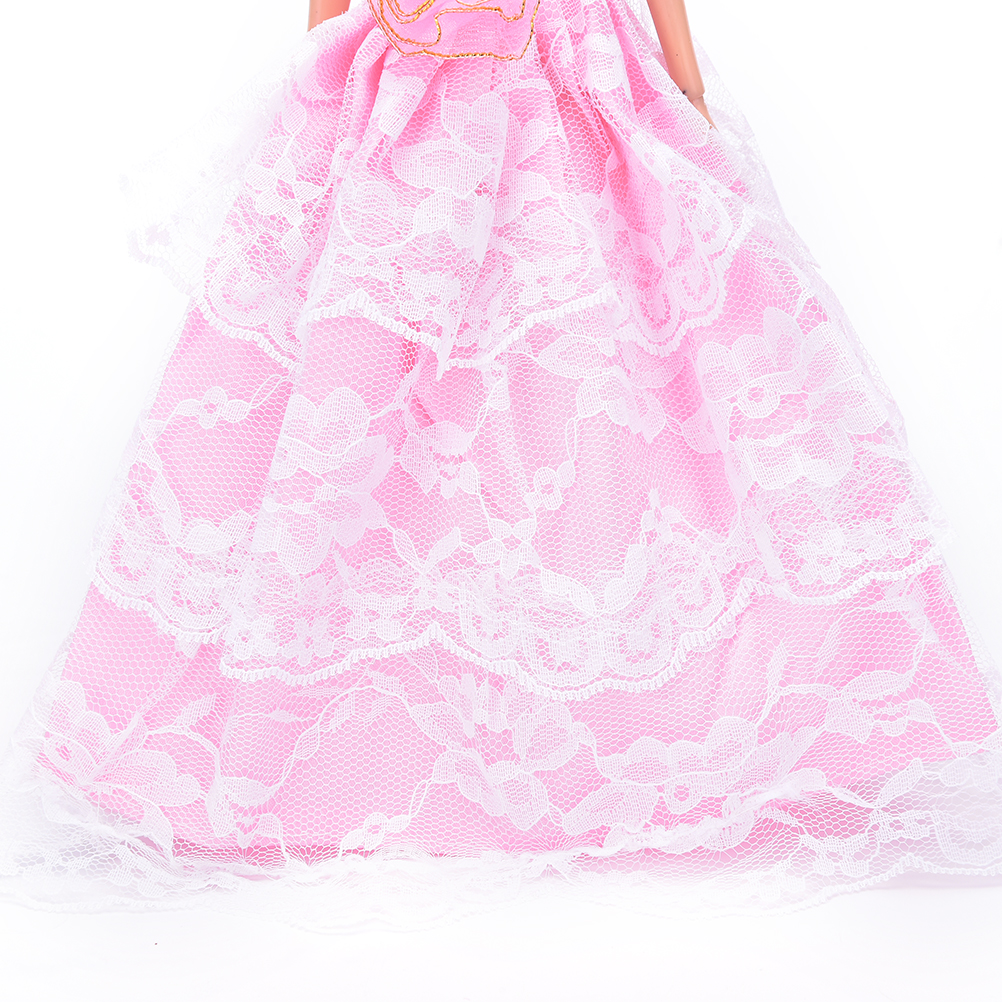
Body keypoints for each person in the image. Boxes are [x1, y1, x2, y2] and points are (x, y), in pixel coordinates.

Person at [1, 0, 999, 919]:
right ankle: (345, 736)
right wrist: (320, 71)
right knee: (372, 377)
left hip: (572, 74)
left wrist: (685, 87)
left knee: (593, 366)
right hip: (417, 81)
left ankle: (628, 715)